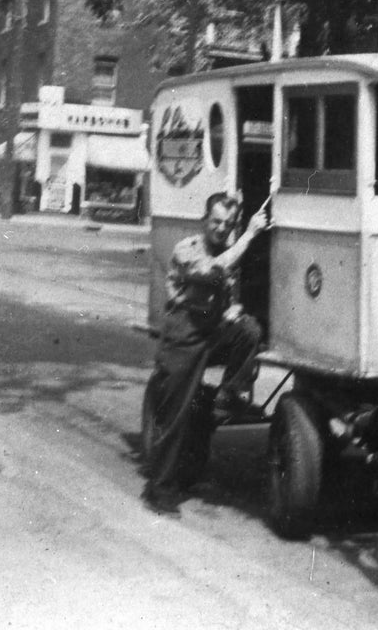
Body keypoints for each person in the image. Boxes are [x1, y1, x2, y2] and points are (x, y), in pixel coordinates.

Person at [141, 191, 271, 515]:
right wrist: (251, 233)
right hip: (183, 335)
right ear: (204, 220)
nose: (221, 228)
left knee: (249, 331)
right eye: (216, 221)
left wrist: (231, 311)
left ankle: (229, 395)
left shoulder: (227, 248)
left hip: (210, 332)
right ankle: (160, 490)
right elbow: (213, 271)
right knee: (175, 417)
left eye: (228, 224)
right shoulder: (188, 249)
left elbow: (224, 293)